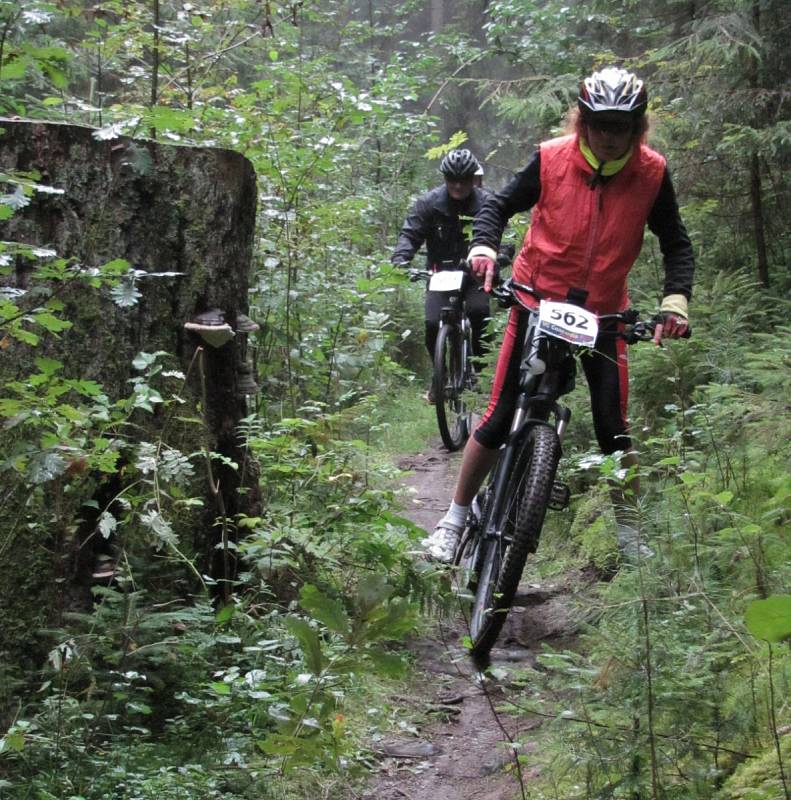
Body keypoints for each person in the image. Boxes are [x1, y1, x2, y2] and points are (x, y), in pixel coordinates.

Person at [424, 66, 695, 562]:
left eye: (622, 127)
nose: (610, 137)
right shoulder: (551, 158)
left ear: (638, 128)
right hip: (536, 297)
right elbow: (498, 206)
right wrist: (484, 246)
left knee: (614, 427)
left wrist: (674, 301)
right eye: (600, 125)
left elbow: (676, 242)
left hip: (604, 312)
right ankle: (454, 518)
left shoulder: (651, 173)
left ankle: (631, 538)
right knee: (498, 415)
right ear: (582, 122)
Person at [391, 148, 494, 401]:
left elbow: (499, 234)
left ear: (473, 179)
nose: (458, 186)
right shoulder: (429, 203)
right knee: (431, 323)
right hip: (440, 274)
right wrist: (401, 259)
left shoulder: (487, 202)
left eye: (464, 180)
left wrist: (500, 255)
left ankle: (479, 370)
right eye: (452, 179)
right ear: (444, 178)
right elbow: (410, 233)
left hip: (474, 275)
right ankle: (441, 378)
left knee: (480, 313)